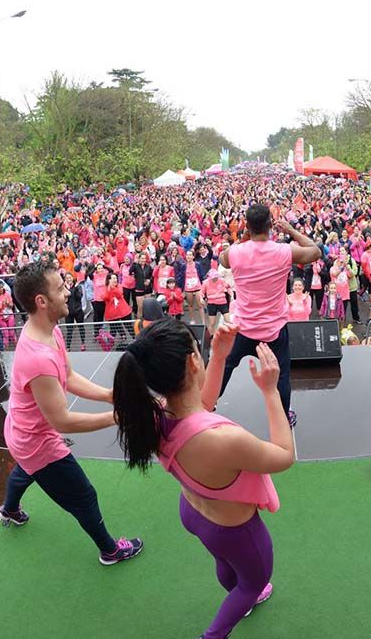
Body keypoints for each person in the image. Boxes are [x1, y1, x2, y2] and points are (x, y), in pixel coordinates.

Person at [112, 318, 293, 639]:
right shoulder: (223, 440)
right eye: (200, 349)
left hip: (195, 513)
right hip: (235, 529)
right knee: (252, 582)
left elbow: (201, 406)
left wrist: (219, 355)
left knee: (226, 562)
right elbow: (283, 455)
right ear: (193, 361)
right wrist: (270, 391)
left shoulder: (157, 414)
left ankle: (243, 596)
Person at [0, 260, 143, 565]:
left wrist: (109, 395)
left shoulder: (49, 329)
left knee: (26, 470)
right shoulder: (37, 357)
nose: (67, 292)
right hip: (36, 442)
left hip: (20, 432)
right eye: (60, 288)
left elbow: (70, 376)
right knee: (84, 496)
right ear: (41, 301)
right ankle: (110, 550)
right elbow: (62, 420)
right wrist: (117, 417)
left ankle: (9, 509)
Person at [218, 205, 321, 427]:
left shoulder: (235, 253)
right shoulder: (283, 251)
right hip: (273, 332)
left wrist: (243, 238)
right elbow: (315, 251)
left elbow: (221, 259)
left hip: (243, 328)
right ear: (270, 226)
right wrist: (291, 230)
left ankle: (209, 403)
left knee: (226, 365)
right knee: (282, 374)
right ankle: (284, 416)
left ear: (247, 226)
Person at [64, 272, 86, 351]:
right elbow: (64, 298)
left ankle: (83, 343)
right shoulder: (63, 288)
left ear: (72, 278)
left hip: (78, 311)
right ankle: (68, 346)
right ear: (65, 280)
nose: (69, 279)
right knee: (69, 330)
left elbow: (79, 296)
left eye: (70, 277)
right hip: (68, 312)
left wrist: (74, 289)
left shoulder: (78, 286)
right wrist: (67, 289)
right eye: (67, 278)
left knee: (81, 327)